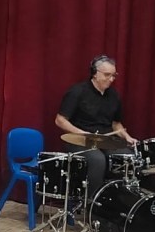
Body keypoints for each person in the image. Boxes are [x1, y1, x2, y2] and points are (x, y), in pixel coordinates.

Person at [54, 54, 137, 201]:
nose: (111, 79)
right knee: (97, 160)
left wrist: (127, 137)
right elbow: (60, 120)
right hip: (79, 139)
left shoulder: (114, 95)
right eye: (107, 75)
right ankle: (91, 204)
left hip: (105, 139)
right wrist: (83, 133)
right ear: (94, 73)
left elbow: (116, 124)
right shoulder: (77, 91)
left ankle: (118, 202)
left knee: (128, 158)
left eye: (114, 75)